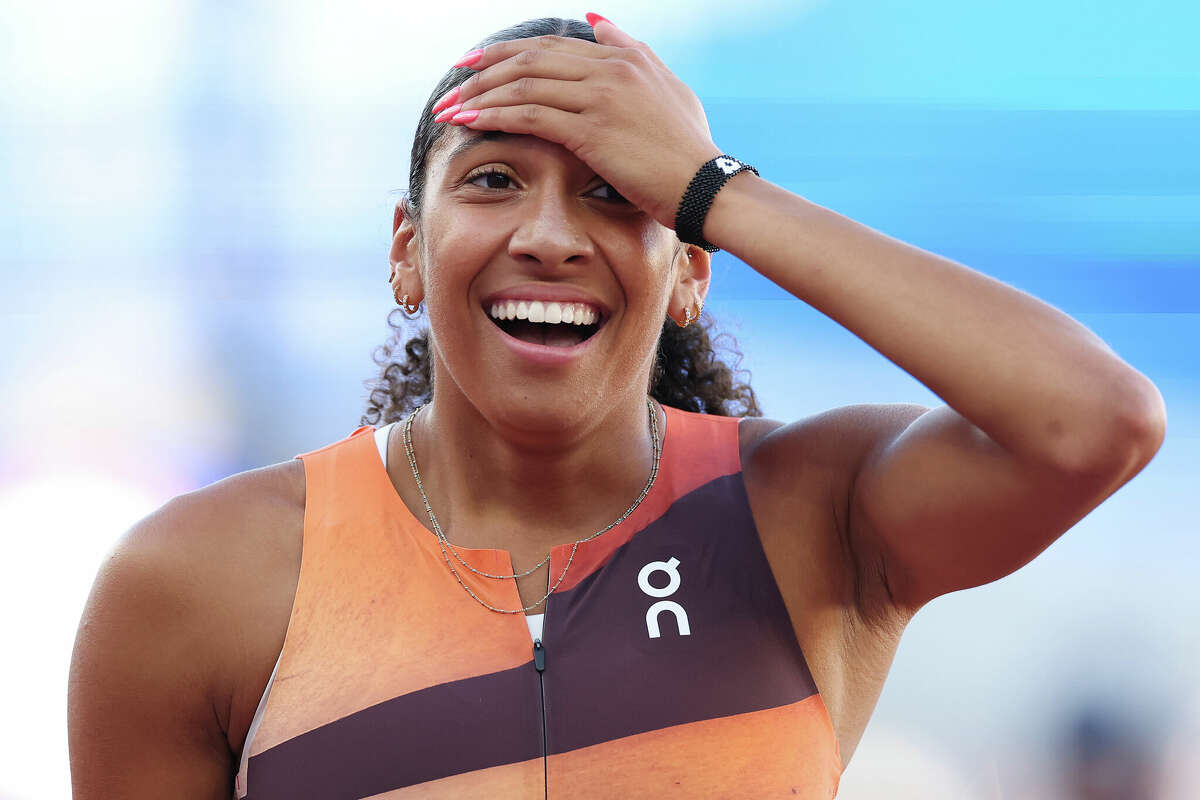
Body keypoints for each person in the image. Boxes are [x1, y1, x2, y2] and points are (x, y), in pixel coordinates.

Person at [67, 13, 1166, 800]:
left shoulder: (807, 514)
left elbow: (1096, 421)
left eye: (616, 191)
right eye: (493, 178)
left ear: (691, 270)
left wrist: (713, 186)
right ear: (408, 251)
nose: (549, 234)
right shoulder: (199, 579)